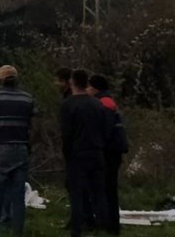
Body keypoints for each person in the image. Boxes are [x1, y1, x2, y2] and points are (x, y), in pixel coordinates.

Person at [0, 65, 36, 236]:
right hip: (21, 148)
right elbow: (33, 128)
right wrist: (28, 145)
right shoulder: (28, 98)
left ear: (0, 79)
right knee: (18, 195)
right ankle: (17, 232)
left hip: (1, 148)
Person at [60, 69, 113, 237]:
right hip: (97, 153)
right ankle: (102, 227)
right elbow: (106, 130)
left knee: (77, 193)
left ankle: (77, 229)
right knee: (99, 193)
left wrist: (67, 155)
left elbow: (66, 134)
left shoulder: (68, 105)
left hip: (77, 154)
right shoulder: (97, 104)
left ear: (72, 83)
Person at [88, 74, 129, 234]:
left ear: (95, 88)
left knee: (106, 189)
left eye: (89, 87)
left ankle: (108, 225)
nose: (87, 90)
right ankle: (111, 224)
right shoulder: (109, 102)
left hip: (108, 153)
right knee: (109, 189)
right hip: (114, 151)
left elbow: (104, 131)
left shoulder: (103, 104)